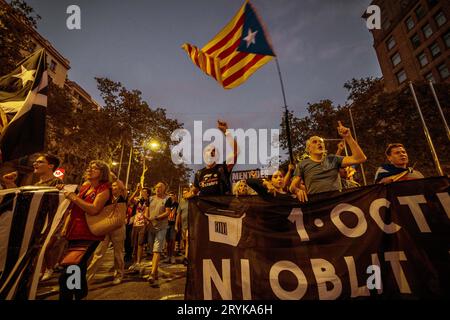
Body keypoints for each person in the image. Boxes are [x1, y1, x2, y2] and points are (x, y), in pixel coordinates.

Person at [57, 160, 111, 300]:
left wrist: (73, 197)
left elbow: (93, 209)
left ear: (102, 173)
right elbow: (73, 209)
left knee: (68, 272)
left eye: (94, 168)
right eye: (90, 167)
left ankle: (71, 296)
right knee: (77, 269)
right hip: (74, 232)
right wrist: (65, 227)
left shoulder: (104, 189)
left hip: (88, 234)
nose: (89, 170)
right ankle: (80, 294)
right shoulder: (85, 187)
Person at [290, 121, 367, 202]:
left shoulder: (332, 159)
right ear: (309, 149)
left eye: (321, 142)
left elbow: (360, 158)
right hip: (317, 205)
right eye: (315, 142)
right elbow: (292, 187)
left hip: (337, 203)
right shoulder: (303, 164)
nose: (319, 143)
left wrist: (348, 137)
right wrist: (298, 191)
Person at [86, 180, 127, 285]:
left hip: (118, 228)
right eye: (113, 186)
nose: (114, 188)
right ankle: (87, 278)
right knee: (98, 253)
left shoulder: (123, 196)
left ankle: (119, 274)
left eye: (116, 186)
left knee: (118, 253)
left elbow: (121, 186)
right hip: (105, 227)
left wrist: (113, 177)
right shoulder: (106, 197)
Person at [189, 120, 238, 197]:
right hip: (204, 208)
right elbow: (194, 191)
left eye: (213, 151)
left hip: (222, 207)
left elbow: (235, 152)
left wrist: (226, 132)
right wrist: (190, 193)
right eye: (208, 151)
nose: (211, 153)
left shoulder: (222, 168)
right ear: (204, 154)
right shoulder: (199, 174)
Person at [145, 182, 172, 286]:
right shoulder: (150, 198)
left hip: (161, 228)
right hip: (151, 227)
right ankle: (155, 273)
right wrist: (147, 219)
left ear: (164, 189)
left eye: (160, 187)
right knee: (152, 250)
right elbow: (146, 211)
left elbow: (167, 212)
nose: (158, 189)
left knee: (157, 250)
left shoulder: (167, 199)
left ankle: (152, 274)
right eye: (156, 187)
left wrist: (156, 217)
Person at [128, 187, 150, 272]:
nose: (142, 193)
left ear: (148, 193)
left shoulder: (149, 201)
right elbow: (130, 201)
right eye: (142, 191)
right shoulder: (138, 201)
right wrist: (136, 191)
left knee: (140, 244)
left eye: (144, 192)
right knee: (134, 244)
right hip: (135, 224)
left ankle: (139, 262)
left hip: (143, 225)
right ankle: (134, 262)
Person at [175, 188, 189, 266]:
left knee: (188, 241)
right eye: (183, 193)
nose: (184, 194)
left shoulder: (192, 201)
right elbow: (178, 214)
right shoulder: (181, 202)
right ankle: (186, 254)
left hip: (190, 225)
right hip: (183, 225)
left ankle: (186, 257)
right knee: (184, 241)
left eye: (186, 193)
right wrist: (176, 225)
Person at [165, 192, 179, 264]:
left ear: (175, 196)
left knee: (172, 240)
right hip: (167, 224)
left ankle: (172, 256)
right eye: (169, 196)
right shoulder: (167, 204)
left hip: (173, 224)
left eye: (172, 195)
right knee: (167, 241)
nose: (170, 197)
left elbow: (178, 215)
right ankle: (168, 256)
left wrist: (177, 225)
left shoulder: (177, 204)